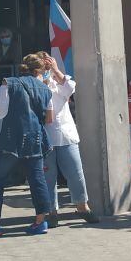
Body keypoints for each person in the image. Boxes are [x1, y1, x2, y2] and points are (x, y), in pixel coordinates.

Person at [0, 53, 55, 238]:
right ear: (40, 70)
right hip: (35, 140)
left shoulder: (9, 83)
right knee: (37, 179)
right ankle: (40, 222)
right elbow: (49, 117)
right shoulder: (46, 89)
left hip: (12, 140)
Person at [34, 53, 100, 227]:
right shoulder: (35, 85)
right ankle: (51, 211)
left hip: (66, 136)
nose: (47, 70)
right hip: (45, 138)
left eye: (49, 66)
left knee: (76, 173)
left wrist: (56, 70)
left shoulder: (60, 83)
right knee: (48, 177)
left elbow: (71, 88)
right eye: (44, 67)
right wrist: (42, 81)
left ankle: (82, 207)